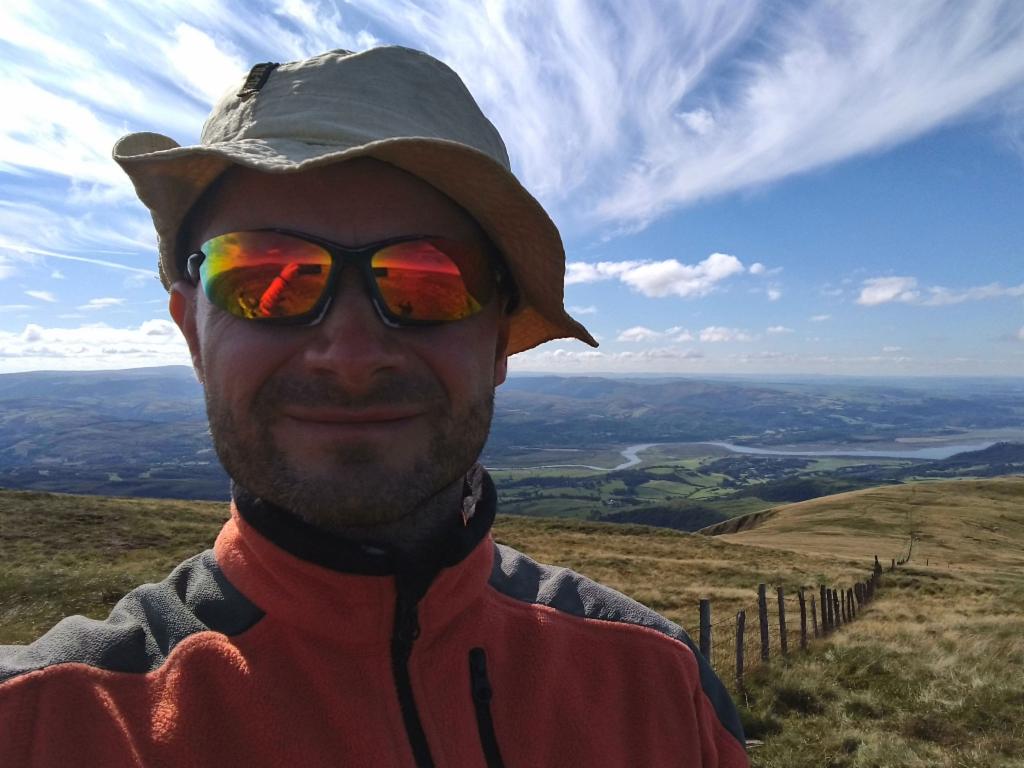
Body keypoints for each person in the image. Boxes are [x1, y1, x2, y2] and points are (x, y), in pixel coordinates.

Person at [0, 47, 749, 767]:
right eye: (263, 278)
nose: (351, 356)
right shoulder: (47, 722)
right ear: (192, 332)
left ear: (497, 344)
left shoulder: (661, 686)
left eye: (430, 283)